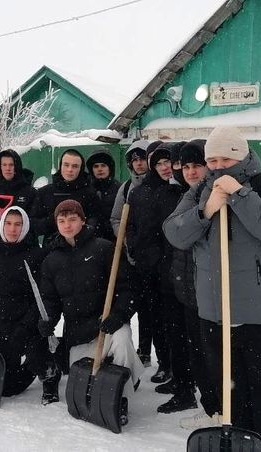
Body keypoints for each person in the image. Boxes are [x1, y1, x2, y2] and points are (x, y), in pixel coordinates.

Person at [163, 127, 261, 452]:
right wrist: (205, 210)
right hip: (216, 312)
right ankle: (241, 444)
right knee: (231, 388)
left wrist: (239, 194)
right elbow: (175, 233)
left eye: (226, 158)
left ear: (242, 156)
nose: (218, 166)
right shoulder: (200, 191)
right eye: (212, 160)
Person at [36, 199, 145, 425]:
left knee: (123, 340)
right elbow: (51, 300)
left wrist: (118, 316)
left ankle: (121, 398)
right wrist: (48, 320)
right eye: (62, 221)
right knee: (86, 384)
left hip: (107, 325)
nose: (67, 225)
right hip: (78, 333)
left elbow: (128, 288)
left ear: (83, 221)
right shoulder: (51, 261)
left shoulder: (104, 249)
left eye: (72, 219)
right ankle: (123, 375)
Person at [0, 206, 59, 404]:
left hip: (25, 324)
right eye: (8, 223)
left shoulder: (35, 255)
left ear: (25, 227)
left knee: (33, 354)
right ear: (2, 225)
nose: (12, 229)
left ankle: (48, 370)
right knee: (7, 388)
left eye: (18, 224)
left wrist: (25, 327)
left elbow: (41, 298)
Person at [163, 139, 220, 422]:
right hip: (189, 293)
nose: (191, 172)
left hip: (211, 295)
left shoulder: (217, 198)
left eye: (197, 165)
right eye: (186, 167)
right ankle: (211, 409)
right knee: (198, 356)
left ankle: (220, 412)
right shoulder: (187, 199)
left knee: (214, 359)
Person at [126, 142, 183, 391]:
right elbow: (131, 226)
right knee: (155, 318)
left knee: (175, 321)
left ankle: (181, 368)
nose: (164, 167)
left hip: (174, 267)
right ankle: (165, 364)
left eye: (167, 161)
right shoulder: (139, 192)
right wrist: (134, 248)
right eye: (158, 163)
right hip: (148, 267)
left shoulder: (179, 191)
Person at [110, 139, 160, 368]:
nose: (139, 164)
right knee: (135, 305)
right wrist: (128, 242)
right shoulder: (126, 188)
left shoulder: (160, 183)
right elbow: (116, 218)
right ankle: (134, 351)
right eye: (135, 160)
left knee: (153, 309)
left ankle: (151, 351)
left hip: (156, 259)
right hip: (132, 258)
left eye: (142, 159)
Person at [30, 149, 100, 239]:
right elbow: (33, 225)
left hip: (83, 244)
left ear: (81, 169)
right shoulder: (45, 192)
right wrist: (56, 219)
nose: (70, 170)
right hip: (52, 245)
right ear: (60, 166)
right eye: (66, 165)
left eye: (75, 166)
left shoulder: (90, 193)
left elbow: (96, 223)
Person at [86, 149, 120, 241]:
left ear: (109, 168)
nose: (99, 169)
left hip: (114, 239)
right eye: (96, 166)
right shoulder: (86, 189)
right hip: (91, 240)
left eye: (103, 165)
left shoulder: (119, 189)